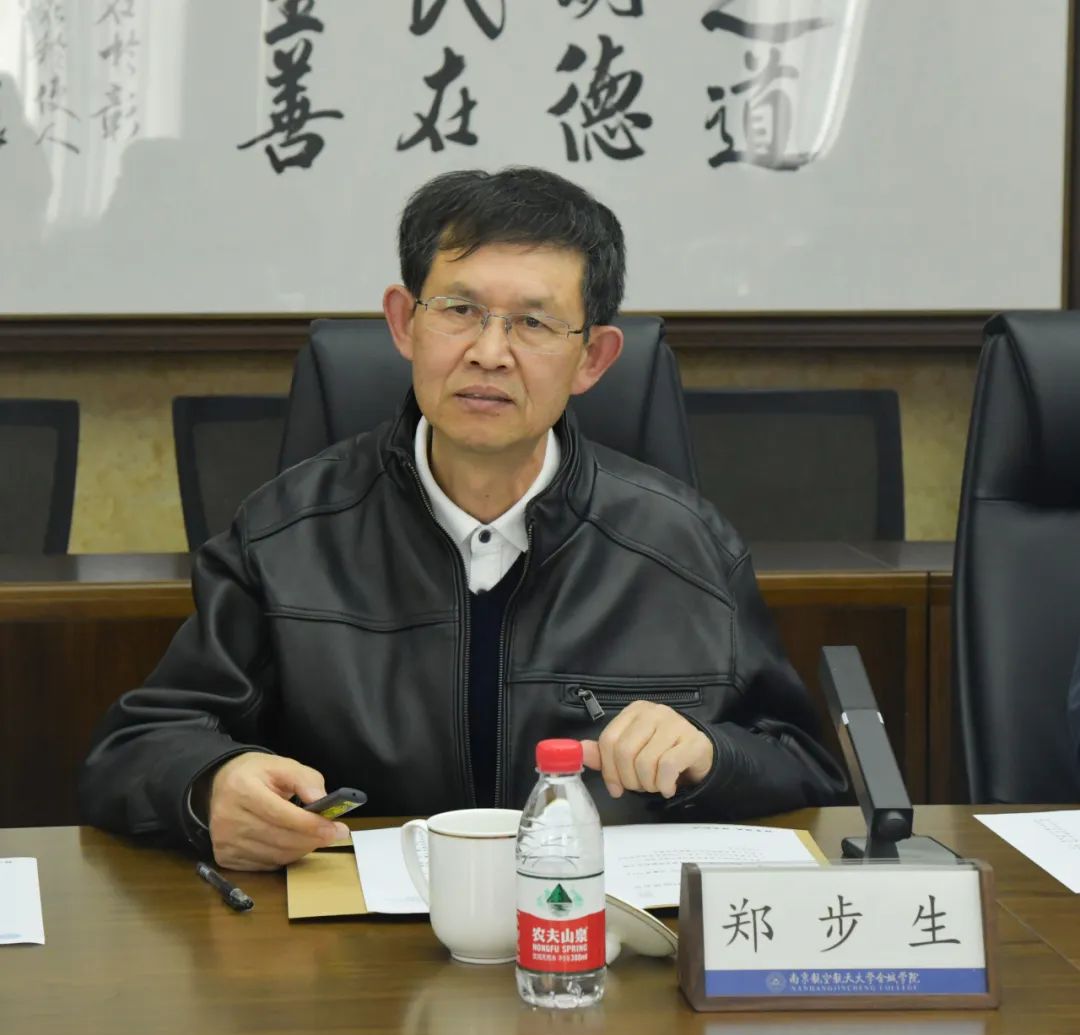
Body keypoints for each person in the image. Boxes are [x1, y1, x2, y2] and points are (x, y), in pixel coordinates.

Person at [79, 167, 845, 870]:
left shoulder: (684, 545)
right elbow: (136, 747)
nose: (489, 352)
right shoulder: (285, 535)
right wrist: (208, 784)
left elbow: (804, 766)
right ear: (403, 323)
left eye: (533, 323)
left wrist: (709, 755)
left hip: (599, 937)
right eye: (459, 311)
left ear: (593, 359)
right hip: (349, 946)